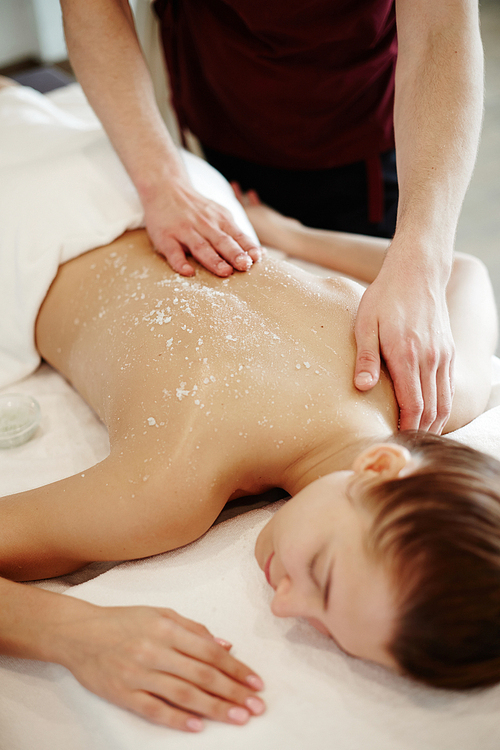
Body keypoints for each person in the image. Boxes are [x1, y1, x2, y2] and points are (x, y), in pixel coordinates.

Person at [1, 77, 500, 733]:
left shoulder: (435, 381)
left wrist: (286, 233)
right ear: (378, 469)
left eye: (324, 625)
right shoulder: (170, 485)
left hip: (164, 178)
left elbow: (461, 273)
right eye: (321, 576)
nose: (288, 607)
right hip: (30, 223)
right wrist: (72, 632)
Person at [59, 0, 484, 436]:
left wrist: (419, 261)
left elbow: (440, 33)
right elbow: (467, 272)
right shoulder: (429, 407)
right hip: (215, 107)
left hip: (346, 129)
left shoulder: (206, 453)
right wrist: (288, 235)